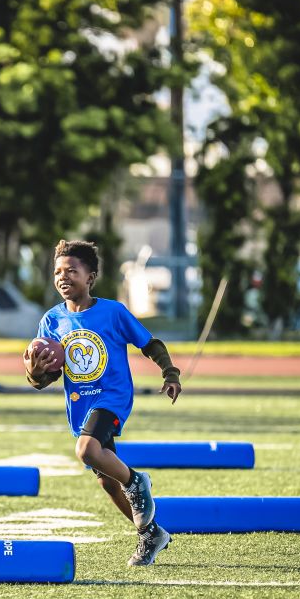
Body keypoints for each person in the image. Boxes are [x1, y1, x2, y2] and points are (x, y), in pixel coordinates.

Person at [25, 240, 183, 567]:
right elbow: (46, 379)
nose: (63, 277)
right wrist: (35, 372)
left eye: (72, 271)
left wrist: (170, 372)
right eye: (58, 272)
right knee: (106, 483)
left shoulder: (112, 312)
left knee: (86, 450)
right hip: (80, 406)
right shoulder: (51, 320)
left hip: (112, 398)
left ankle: (137, 481)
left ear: (91, 276)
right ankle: (151, 533)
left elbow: (149, 342)